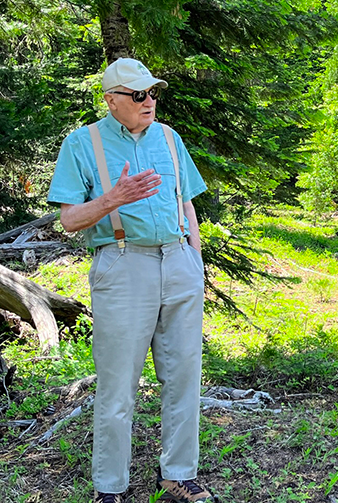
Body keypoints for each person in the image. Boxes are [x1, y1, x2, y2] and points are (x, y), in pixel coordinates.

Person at [48, 58, 213, 503]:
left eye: (153, 92)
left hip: (179, 262)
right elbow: (69, 220)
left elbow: (187, 202)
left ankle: (178, 475)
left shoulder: (169, 137)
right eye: (139, 95)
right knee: (118, 385)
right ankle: (110, 488)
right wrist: (112, 199)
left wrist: (195, 260)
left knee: (183, 377)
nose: (149, 101)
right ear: (112, 101)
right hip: (123, 265)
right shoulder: (83, 144)